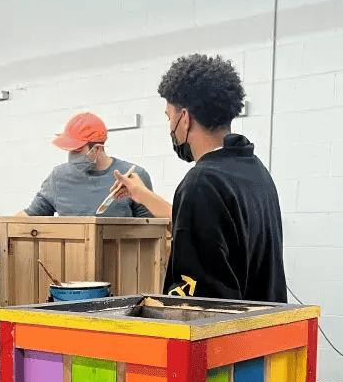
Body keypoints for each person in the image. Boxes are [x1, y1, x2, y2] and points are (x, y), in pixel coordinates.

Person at [112, 54, 288, 303]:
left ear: (184, 118)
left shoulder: (201, 182)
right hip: (263, 332)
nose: (169, 125)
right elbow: (207, 231)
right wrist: (142, 195)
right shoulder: (253, 171)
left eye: (168, 117)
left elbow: (198, 303)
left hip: (226, 338)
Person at [20, 112, 154, 218]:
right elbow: (31, 215)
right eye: (69, 150)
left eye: (77, 150)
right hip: (73, 253)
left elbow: (151, 228)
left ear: (98, 148)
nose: (72, 155)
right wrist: (0, 225)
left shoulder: (132, 177)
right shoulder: (58, 177)